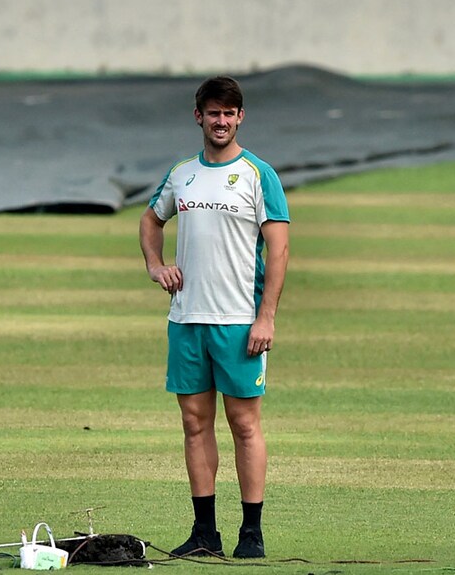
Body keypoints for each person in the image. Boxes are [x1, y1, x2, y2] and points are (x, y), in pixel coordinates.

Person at [138, 75, 290, 559]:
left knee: (244, 424)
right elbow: (150, 219)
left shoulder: (257, 174)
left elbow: (280, 249)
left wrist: (266, 318)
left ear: (240, 117)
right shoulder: (182, 173)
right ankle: (205, 533)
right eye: (212, 112)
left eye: (229, 113)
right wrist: (155, 265)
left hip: (239, 319)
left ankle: (252, 533)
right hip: (186, 319)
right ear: (198, 116)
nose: (220, 121)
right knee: (193, 422)